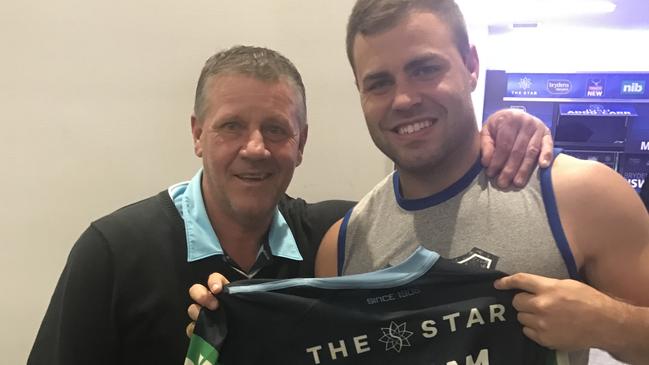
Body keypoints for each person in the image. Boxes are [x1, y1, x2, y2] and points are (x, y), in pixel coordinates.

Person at [29, 44, 551, 365]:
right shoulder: (113, 252)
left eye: (276, 130)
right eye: (232, 125)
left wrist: (496, 137)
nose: (255, 148)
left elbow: (431, 210)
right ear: (197, 134)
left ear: (301, 143)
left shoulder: (339, 237)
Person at [190, 1, 649, 364]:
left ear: (471, 65)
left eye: (426, 69)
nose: (405, 98)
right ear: (361, 94)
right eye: (379, 82)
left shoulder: (580, 196)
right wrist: (228, 327)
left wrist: (610, 324)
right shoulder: (342, 245)